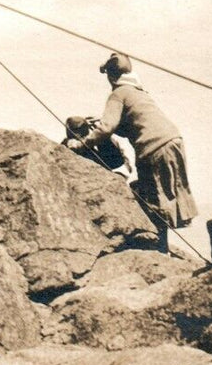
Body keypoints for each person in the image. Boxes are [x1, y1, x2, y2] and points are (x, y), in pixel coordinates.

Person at [75, 52, 198, 253]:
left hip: (153, 148)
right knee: (167, 195)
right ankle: (162, 248)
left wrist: (82, 144)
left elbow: (108, 128)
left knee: (154, 199)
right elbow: (133, 123)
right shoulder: (138, 91)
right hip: (172, 141)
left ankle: (160, 250)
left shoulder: (118, 93)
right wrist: (103, 121)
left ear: (111, 76)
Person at [63, 115, 131, 175]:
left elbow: (117, 161)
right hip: (89, 172)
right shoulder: (68, 143)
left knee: (101, 138)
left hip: (106, 168)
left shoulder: (93, 142)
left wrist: (99, 129)